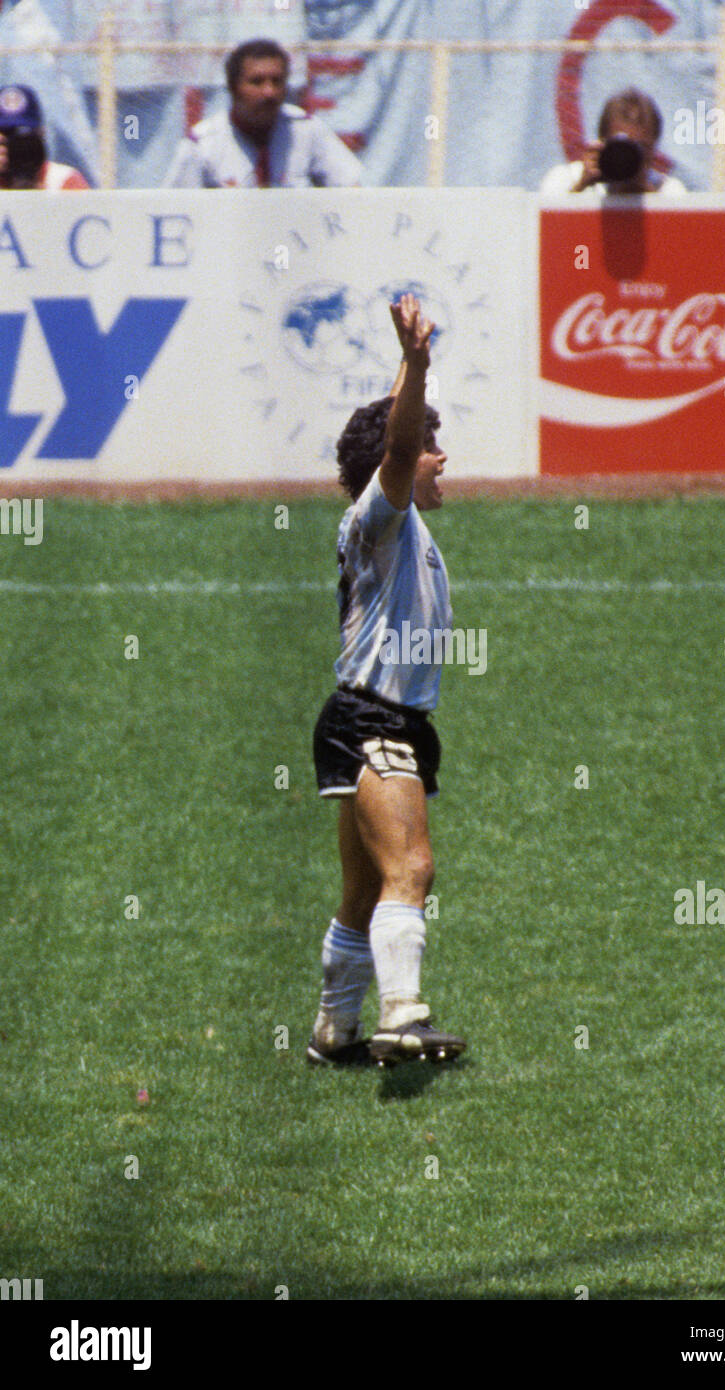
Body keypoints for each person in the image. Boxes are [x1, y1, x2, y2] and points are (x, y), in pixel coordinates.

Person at [308, 293, 466, 1069]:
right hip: (375, 720)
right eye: (435, 446)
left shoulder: (406, 530)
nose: (443, 459)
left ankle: (334, 1031)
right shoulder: (383, 517)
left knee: (365, 891)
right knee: (413, 868)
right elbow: (399, 456)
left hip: (381, 719)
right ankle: (403, 1014)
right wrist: (415, 364)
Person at [164, 37, 363, 189]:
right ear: (233, 87)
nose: (269, 92)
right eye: (256, 82)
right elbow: (173, 213)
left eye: (277, 81)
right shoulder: (202, 144)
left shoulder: (306, 129)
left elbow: (354, 191)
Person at [540, 88, 686, 197]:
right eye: (621, 146)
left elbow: (676, 236)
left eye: (640, 147)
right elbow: (551, 233)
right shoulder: (565, 179)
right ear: (601, 142)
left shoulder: (669, 191)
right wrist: (581, 188)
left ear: (654, 147)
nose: (628, 156)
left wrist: (647, 196)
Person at [0, 85, 89, 190]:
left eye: (19, 136)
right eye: (4, 135)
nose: (12, 146)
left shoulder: (62, 180)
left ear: (41, 134)